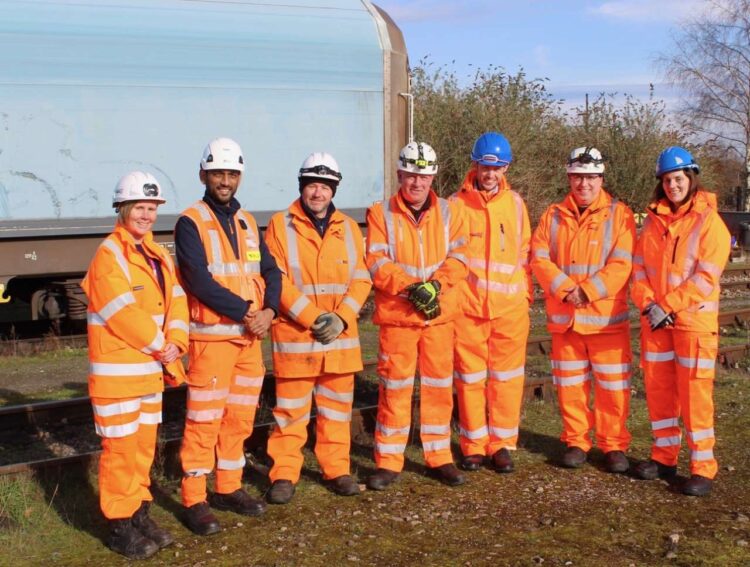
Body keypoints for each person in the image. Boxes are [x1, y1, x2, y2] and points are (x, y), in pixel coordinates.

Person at [175, 137, 281, 535]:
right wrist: (247, 312)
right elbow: (198, 280)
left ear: (239, 177)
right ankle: (194, 499)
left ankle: (228, 487)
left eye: (232, 173)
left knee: (239, 419)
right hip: (213, 340)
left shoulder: (247, 222)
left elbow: (271, 272)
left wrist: (269, 311)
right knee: (204, 420)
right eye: (218, 173)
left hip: (249, 341)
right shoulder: (190, 222)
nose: (225, 180)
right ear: (203, 174)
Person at [81, 171, 188, 559]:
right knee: (120, 453)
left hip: (146, 374)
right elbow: (122, 313)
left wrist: (177, 341)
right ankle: (119, 526)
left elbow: (177, 300)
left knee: (142, 450)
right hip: (118, 378)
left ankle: (139, 513)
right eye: (139, 208)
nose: (146, 215)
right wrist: (164, 347)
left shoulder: (158, 254)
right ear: (123, 208)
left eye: (152, 208)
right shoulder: (109, 254)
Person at [262, 152, 372, 504]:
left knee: (337, 411)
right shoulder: (281, 225)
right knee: (290, 414)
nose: (318, 193)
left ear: (334, 190)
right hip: (298, 338)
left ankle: (337, 469)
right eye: (312, 185)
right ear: (302, 187)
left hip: (338, 339)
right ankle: (283, 474)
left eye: (325, 186)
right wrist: (313, 318)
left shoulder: (350, 229)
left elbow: (362, 278)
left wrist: (341, 317)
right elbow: (275, 280)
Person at [365, 141, 469, 490]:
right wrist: (412, 288)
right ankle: (389, 461)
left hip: (438, 317)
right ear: (400, 175)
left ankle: (439, 457)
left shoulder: (451, 212)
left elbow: (460, 257)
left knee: (439, 388)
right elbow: (377, 261)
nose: (417, 183)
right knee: (394, 389)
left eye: (423, 177)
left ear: (433, 178)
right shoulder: (380, 213)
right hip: (399, 317)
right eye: (411, 176)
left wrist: (436, 287)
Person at [631, 146, 730, 496]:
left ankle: (703, 467)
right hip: (656, 322)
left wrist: (668, 305)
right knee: (659, 392)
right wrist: (648, 304)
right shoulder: (654, 221)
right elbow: (639, 268)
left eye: (678, 179)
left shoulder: (709, 223)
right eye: (667, 180)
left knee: (694, 396)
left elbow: (706, 277)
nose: (673, 185)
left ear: (691, 178)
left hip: (692, 324)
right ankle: (664, 457)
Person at [530, 147, 635, 473]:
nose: (583, 184)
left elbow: (622, 263)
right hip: (567, 321)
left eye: (590, 177)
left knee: (612, 387)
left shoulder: (620, 215)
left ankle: (613, 445)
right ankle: (576, 441)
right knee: (570, 386)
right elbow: (539, 258)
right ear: (569, 178)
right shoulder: (553, 215)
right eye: (577, 177)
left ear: (601, 178)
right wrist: (565, 290)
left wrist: (586, 291)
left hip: (605, 323)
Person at [450, 132, 532, 473]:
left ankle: (501, 444)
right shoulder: (455, 204)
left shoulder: (515, 204)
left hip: (510, 311)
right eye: (485, 166)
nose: (490, 174)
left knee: (507, 380)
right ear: (475, 165)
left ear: (506, 168)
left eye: (497, 168)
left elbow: (524, 252)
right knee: (470, 378)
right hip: (468, 309)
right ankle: (473, 445)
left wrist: (524, 295)